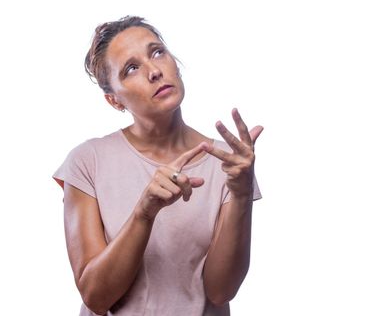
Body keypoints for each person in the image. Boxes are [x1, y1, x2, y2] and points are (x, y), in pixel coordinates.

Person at [53, 16, 263, 316]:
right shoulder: (87, 161)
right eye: (131, 68)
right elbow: (96, 297)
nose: (154, 71)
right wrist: (145, 212)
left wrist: (241, 194)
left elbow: (221, 290)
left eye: (157, 52)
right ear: (114, 101)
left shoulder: (229, 162)